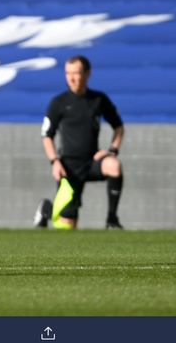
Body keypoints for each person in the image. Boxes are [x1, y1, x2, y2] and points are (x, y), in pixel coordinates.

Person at [35, 55, 125, 230]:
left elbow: (119, 127)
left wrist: (112, 150)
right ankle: (46, 210)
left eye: (76, 73)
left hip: (92, 161)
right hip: (68, 167)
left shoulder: (99, 99)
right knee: (67, 225)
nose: (72, 77)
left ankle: (112, 220)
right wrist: (55, 161)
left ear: (87, 74)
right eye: (68, 73)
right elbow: (47, 135)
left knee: (113, 165)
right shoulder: (59, 102)